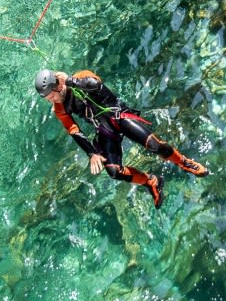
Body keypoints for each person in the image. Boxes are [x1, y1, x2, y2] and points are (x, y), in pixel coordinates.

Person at [34, 68, 207, 209]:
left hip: (119, 115)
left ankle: (184, 162)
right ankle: (151, 182)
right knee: (113, 171)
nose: (52, 101)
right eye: (49, 100)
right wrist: (92, 153)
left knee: (155, 146)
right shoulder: (59, 108)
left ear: (57, 87)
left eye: (52, 97)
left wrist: (71, 81)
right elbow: (74, 131)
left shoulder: (79, 77)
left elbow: (96, 85)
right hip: (103, 128)